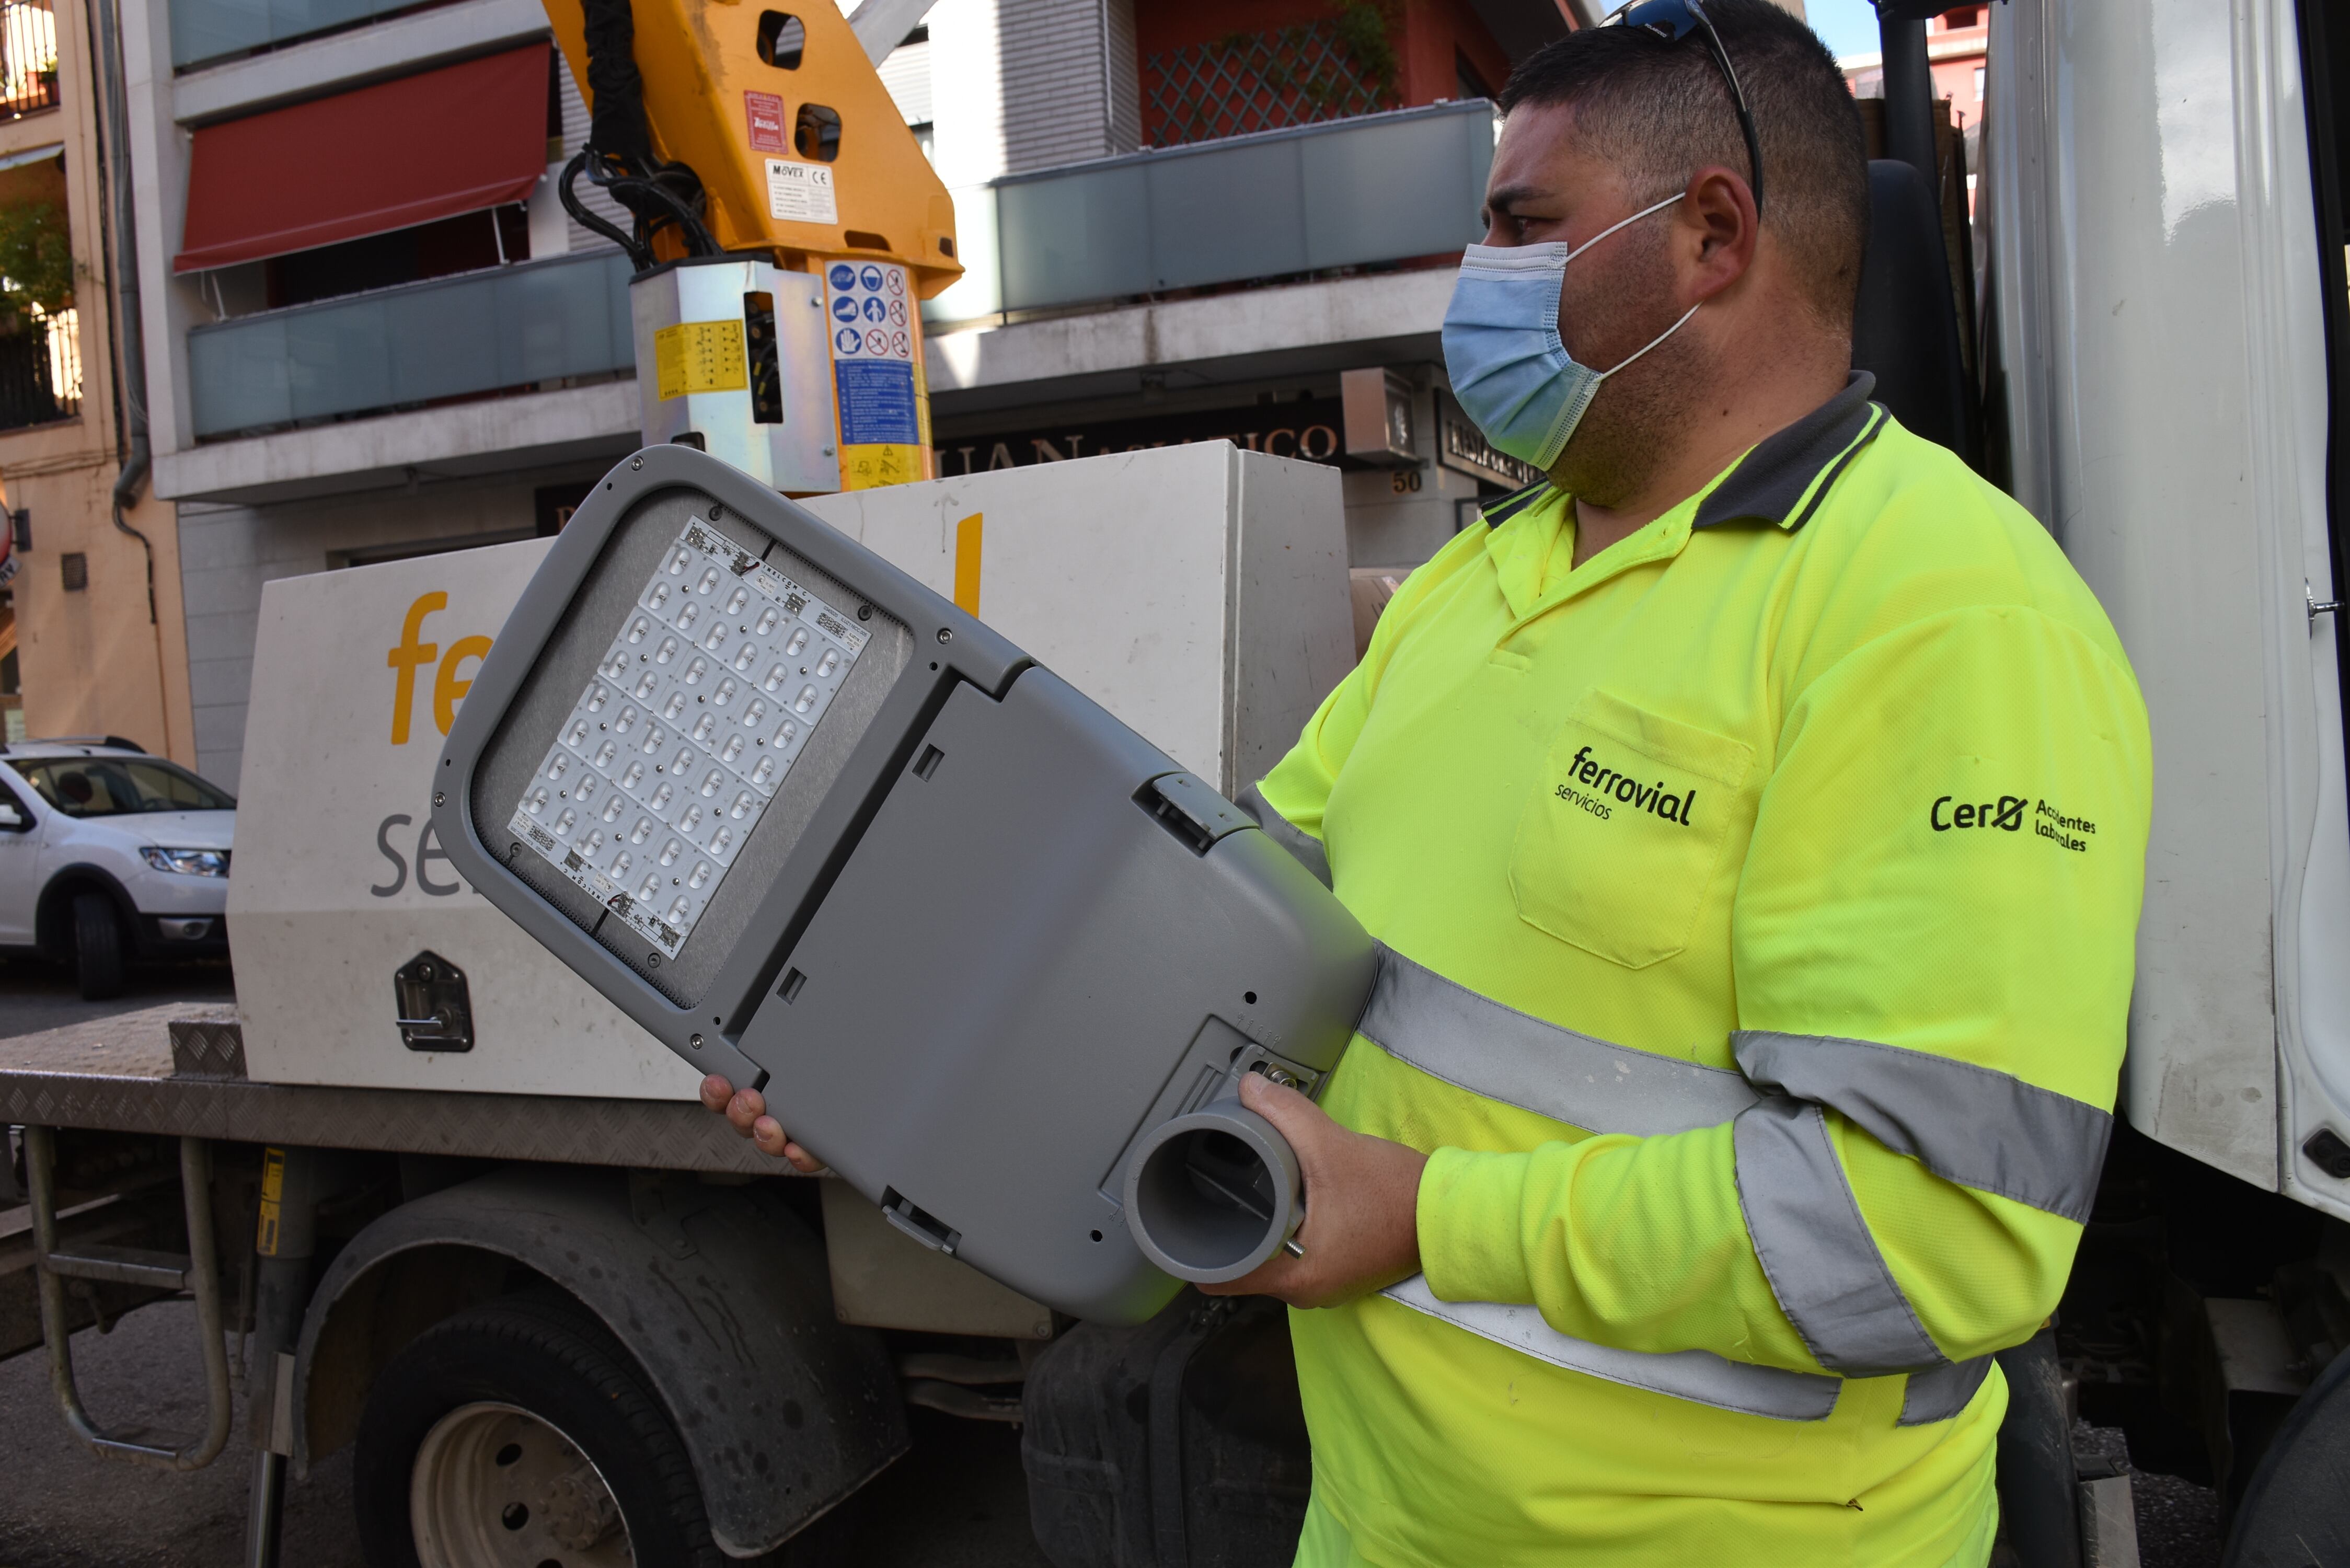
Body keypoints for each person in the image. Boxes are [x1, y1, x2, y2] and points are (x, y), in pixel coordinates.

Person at [703, 2, 2153, 1561]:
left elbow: (1934, 1240)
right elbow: (1225, 906)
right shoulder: (1487, 578)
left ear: (1712, 236)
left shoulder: (1941, 615)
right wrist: (891, 1043)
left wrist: (1428, 1219)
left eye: (1526, 228)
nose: (1481, 285)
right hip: (1380, 1523)